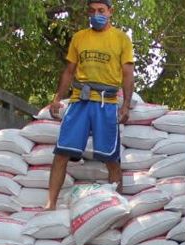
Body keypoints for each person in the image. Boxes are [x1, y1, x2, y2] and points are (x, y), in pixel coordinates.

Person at [45, 0, 134, 209]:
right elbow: (69, 71)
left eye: (101, 11)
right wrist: (57, 97)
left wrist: (126, 105)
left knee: (111, 158)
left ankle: (116, 206)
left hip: (106, 103)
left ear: (110, 12)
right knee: (61, 153)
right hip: (80, 101)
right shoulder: (79, 37)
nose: (97, 14)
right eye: (92, 11)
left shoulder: (121, 39)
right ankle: (50, 203)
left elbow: (128, 73)